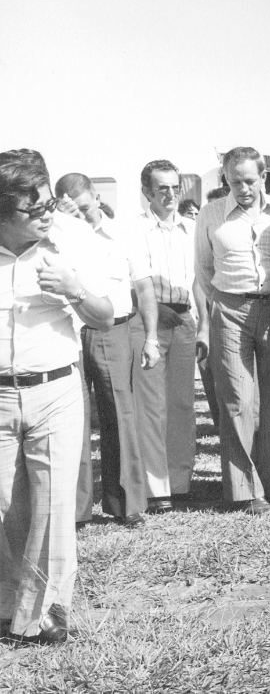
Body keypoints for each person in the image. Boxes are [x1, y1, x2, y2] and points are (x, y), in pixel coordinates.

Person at [0, 156, 113, 644]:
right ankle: (9, 604)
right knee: (5, 505)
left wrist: (74, 289)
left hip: (57, 390)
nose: (48, 212)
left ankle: (44, 615)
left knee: (51, 504)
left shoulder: (73, 241)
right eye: (34, 207)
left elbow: (105, 315)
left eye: (49, 201)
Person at [195, 147, 270, 514]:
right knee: (238, 400)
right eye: (235, 180)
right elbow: (204, 270)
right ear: (225, 179)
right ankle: (246, 491)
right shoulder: (210, 214)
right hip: (230, 309)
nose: (243, 188)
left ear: (263, 178)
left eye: (250, 180)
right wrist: (219, 309)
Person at [56, 173, 160, 527]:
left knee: (120, 415)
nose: (82, 217)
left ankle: (127, 504)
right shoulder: (57, 235)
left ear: (96, 197)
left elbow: (144, 289)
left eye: (85, 208)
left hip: (113, 330)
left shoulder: (124, 234)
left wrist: (151, 337)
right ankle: (75, 510)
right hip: (68, 333)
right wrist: (62, 224)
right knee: (73, 421)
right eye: (74, 212)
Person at [131, 160, 205, 513]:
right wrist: (150, 326)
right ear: (147, 192)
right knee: (152, 406)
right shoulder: (135, 229)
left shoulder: (191, 229)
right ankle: (156, 487)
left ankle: (179, 481)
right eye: (162, 188)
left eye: (176, 187)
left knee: (182, 403)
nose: (171, 194)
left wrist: (202, 323)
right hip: (152, 319)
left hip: (185, 320)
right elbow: (138, 284)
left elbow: (199, 281)